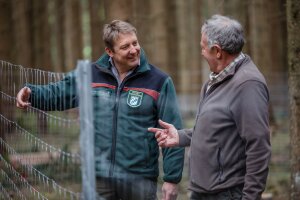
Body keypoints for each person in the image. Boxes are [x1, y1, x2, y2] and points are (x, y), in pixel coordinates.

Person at [16, 20, 185, 200]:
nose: (134, 50)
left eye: (135, 43)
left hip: (140, 179)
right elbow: (58, 93)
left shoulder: (159, 81)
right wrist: (31, 93)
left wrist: (172, 179)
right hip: (99, 177)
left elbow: (172, 129)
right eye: (125, 46)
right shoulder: (90, 74)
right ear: (109, 52)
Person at [148, 14, 271, 200]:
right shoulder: (216, 80)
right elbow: (217, 130)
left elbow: (259, 146)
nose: (201, 52)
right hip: (204, 191)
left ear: (218, 51)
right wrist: (180, 136)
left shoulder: (247, 85)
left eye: (203, 47)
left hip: (227, 193)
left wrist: (250, 197)